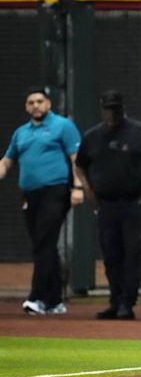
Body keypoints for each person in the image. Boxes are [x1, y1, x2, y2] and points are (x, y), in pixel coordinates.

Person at [0, 86, 84, 315]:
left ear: (48, 104)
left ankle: (36, 297)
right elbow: (7, 160)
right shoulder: (21, 133)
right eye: (31, 102)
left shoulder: (63, 126)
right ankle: (55, 301)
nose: (35, 106)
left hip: (55, 191)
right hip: (30, 195)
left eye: (39, 101)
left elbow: (76, 158)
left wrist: (78, 187)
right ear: (26, 107)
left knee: (44, 242)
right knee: (43, 244)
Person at [75, 90, 141, 320]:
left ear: (122, 108)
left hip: (133, 203)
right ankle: (115, 300)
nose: (112, 113)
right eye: (108, 109)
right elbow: (80, 165)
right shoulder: (92, 136)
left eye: (115, 108)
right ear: (102, 110)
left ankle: (127, 302)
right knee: (111, 255)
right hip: (106, 205)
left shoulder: (138, 132)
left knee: (132, 253)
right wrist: (87, 189)